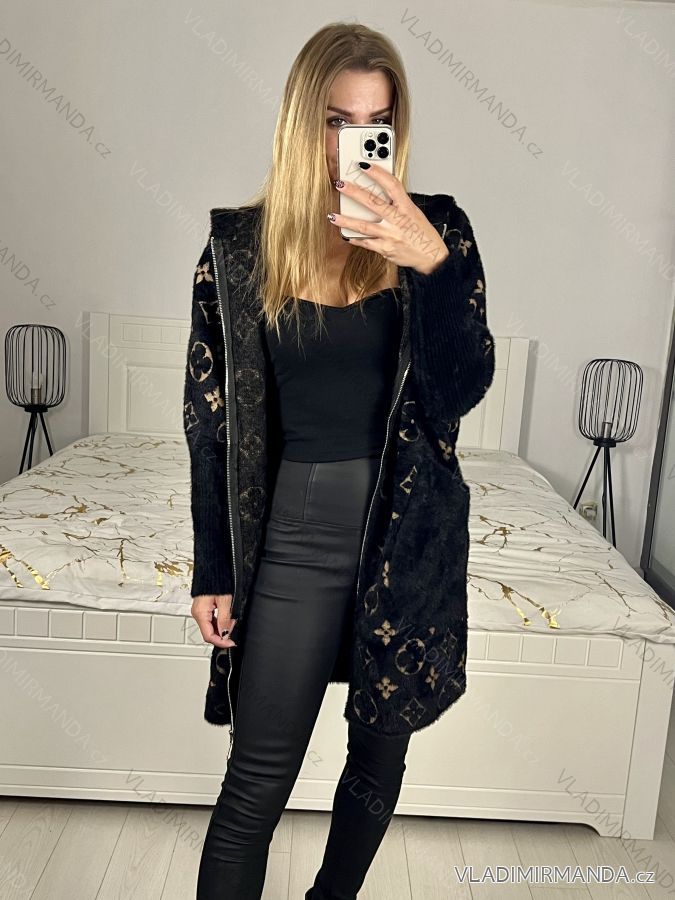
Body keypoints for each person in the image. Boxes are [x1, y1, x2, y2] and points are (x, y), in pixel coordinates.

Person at [184, 20, 496, 900]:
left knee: (374, 770)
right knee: (255, 781)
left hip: (408, 540)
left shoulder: (438, 230)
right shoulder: (239, 249)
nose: (357, 139)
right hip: (295, 538)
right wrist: (213, 569)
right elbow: (210, 423)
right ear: (301, 121)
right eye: (336, 120)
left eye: (376, 120)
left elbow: (460, 389)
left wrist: (430, 268)